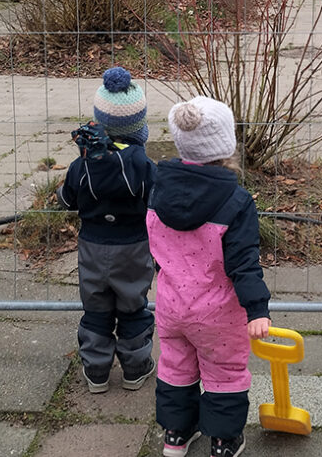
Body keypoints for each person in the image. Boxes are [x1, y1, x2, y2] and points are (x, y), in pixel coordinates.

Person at [148, 96, 270, 457]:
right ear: (226, 145)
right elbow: (243, 261)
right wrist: (257, 308)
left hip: (171, 306)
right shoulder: (235, 201)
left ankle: (176, 433)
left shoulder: (157, 190)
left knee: (175, 367)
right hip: (217, 314)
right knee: (225, 373)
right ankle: (223, 439)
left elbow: (156, 244)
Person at [57, 67, 157, 393]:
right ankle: (135, 368)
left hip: (93, 247)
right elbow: (158, 203)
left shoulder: (83, 164)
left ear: (99, 120)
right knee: (133, 307)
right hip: (134, 248)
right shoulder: (144, 165)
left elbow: (67, 198)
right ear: (139, 125)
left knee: (96, 307)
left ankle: (97, 372)